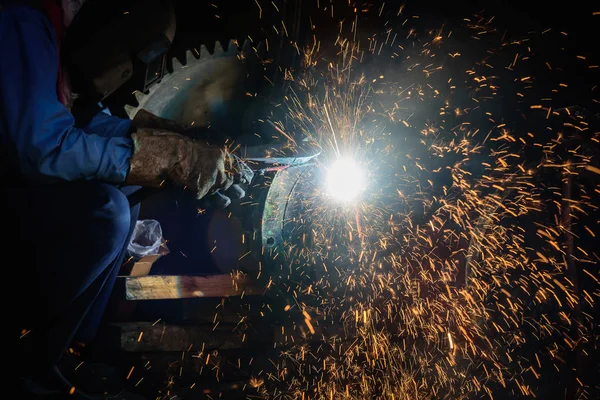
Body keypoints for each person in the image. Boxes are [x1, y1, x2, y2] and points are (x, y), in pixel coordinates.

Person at [0, 0, 249, 397]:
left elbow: (83, 119)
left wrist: (174, 141)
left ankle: (70, 350)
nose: (127, 73)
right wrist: (156, 157)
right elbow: (41, 146)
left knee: (134, 183)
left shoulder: (61, 33)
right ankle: (26, 361)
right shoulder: (23, 21)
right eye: (130, 57)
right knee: (106, 211)